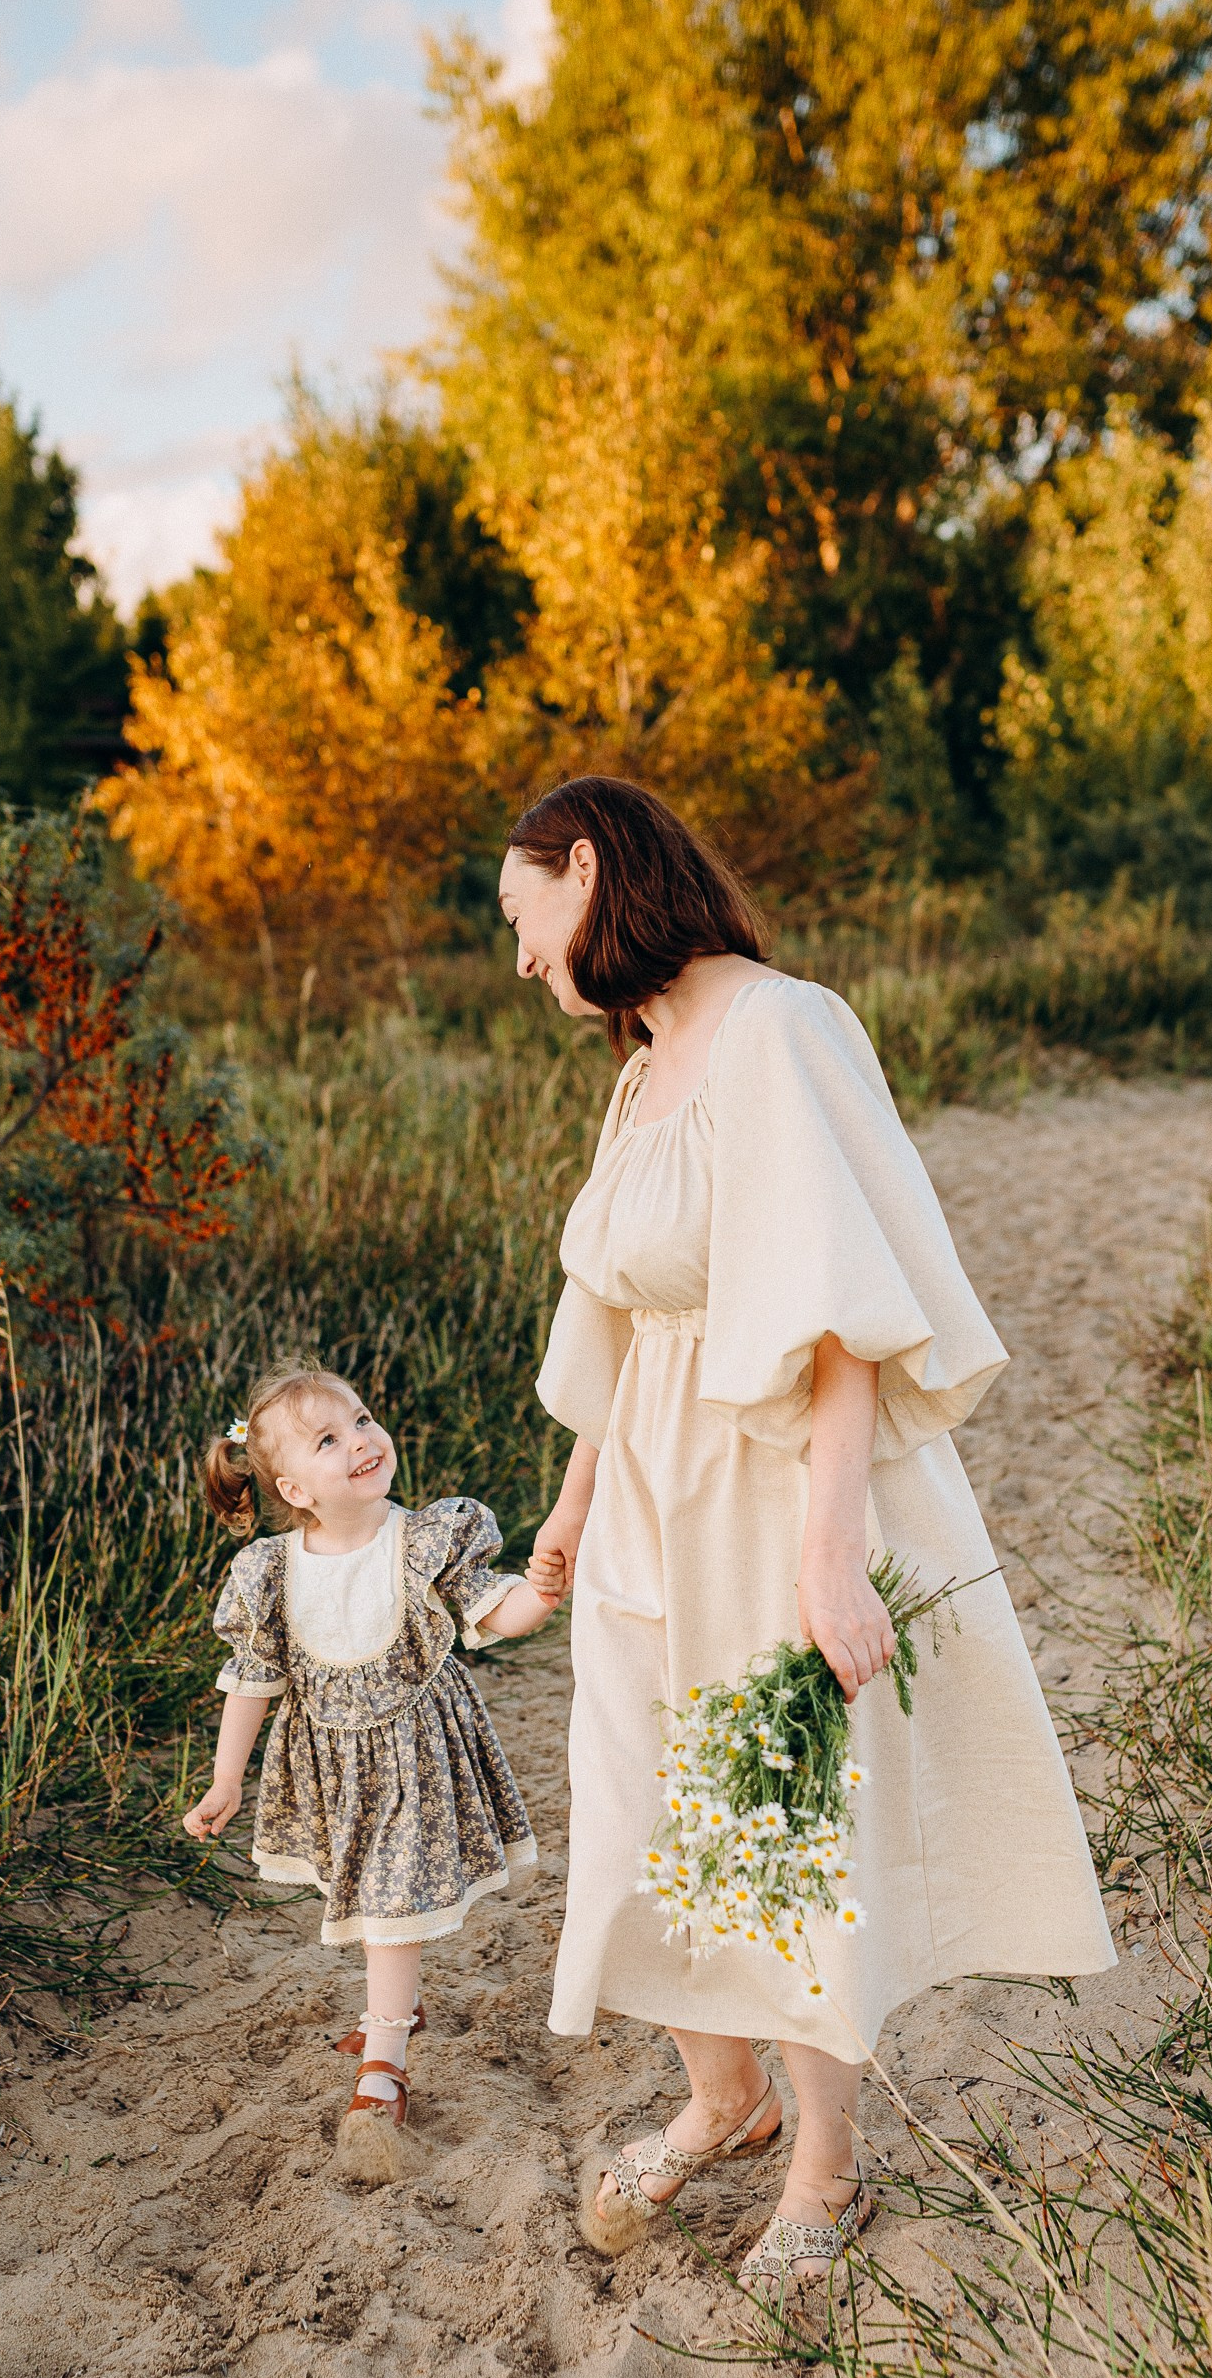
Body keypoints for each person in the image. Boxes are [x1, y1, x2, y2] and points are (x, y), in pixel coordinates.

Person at [506, 778, 1115, 2300]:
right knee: (643, 1808)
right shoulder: (644, 1065)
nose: (521, 963)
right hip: (644, 1484)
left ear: (586, 871)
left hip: (766, 1483)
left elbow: (840, 1320)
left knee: (772, 1816)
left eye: (523, 922)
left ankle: (822, 2163)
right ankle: (723, 2096)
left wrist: (828, 1552)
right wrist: (573, 1511)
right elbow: (632, 1313)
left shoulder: (785, 1029)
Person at [183, 1364, 557, 2180]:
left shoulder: (425, 1538)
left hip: (419, 1760)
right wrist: (226, 1781)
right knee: (367, 1898)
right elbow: (252, 1680)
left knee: (390, 1902)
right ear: (293, 1486)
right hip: (332, 1773)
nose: (360, 1440)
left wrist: (545, 1589)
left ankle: (383, 2059)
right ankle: (403, 2003)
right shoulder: (270, 1573)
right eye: (329, 1439)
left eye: (361, 1419)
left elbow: (497, 1610)